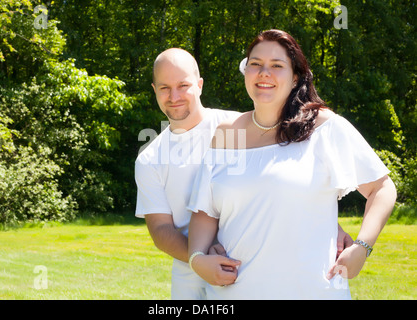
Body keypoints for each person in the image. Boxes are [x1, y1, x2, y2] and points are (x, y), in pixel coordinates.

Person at [187, 29, 397, 300]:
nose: (264, 73)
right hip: (233, 293)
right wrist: (196, 259)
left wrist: (362, 247)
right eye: (255, 64)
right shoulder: (227, 133)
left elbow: (382, 188)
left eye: (277, 65)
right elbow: (205, 211)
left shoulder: (324, 126)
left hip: (312, 292)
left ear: (295, 76)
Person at [135, 47, 354, 300]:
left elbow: (283, 180)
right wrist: (201, 258)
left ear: (200, 85)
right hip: (190, 281)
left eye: (183, 85)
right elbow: (161, 230)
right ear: (154, 90)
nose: (174, 96)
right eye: (164, 88)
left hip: (252, 273)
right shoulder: (150, 159)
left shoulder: (236, 127)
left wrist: (331, 227)